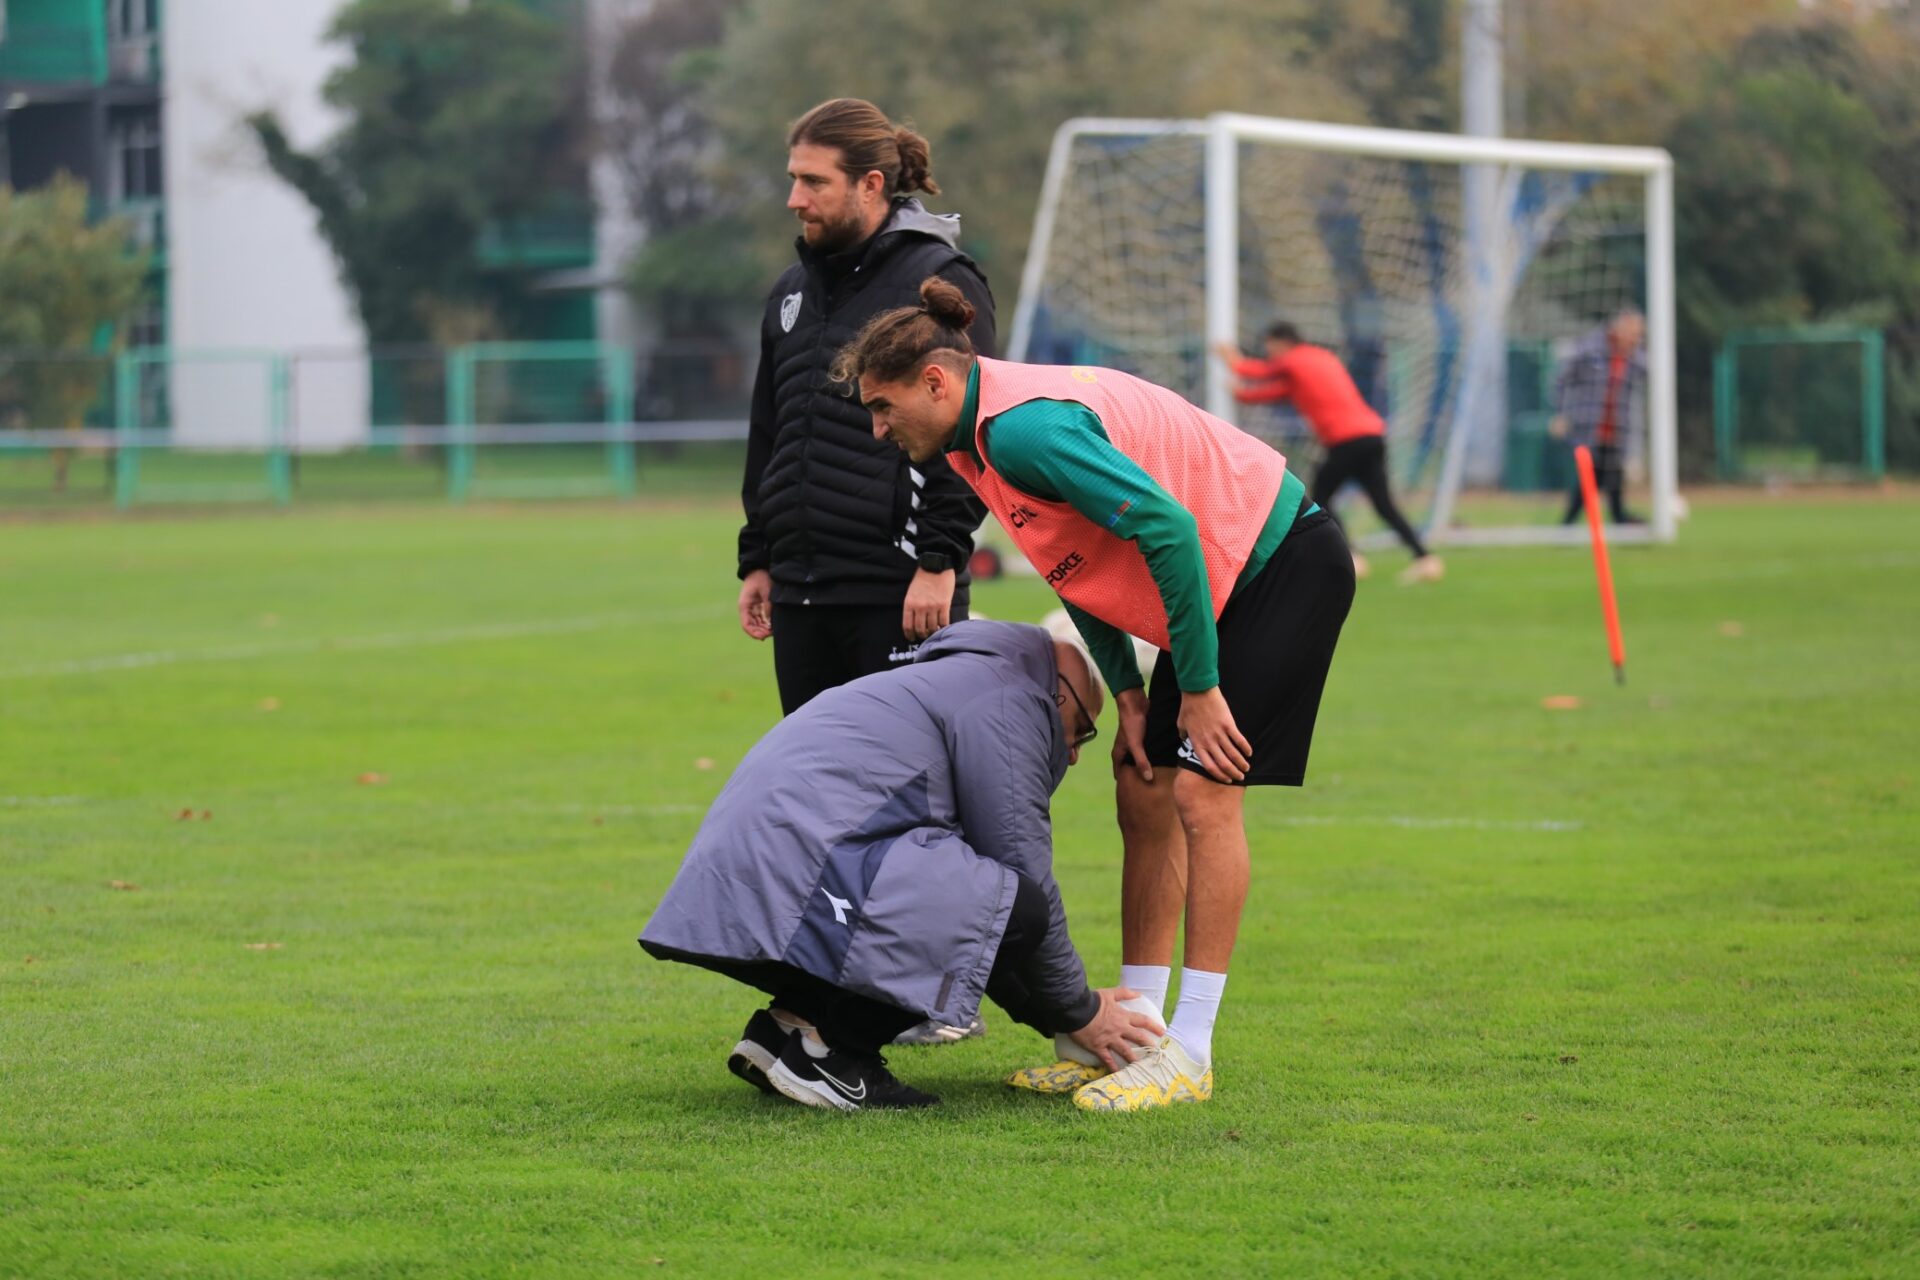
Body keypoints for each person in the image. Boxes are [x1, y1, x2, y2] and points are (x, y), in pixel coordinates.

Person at [833, 278, 1358, 1112]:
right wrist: (1132, 695)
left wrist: (1204, 689)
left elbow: (1170, 529)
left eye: (884, 406)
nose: (877, 427)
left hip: (1279, 565)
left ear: (937, 381)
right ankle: (1137, 1034)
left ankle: (1191, 1049)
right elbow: (1077, 562)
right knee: (1143, 782)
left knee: (1202, 791)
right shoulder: (979, 442)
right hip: (1217, 584)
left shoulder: (1024, 431)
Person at [639, 621, 1163, 1111]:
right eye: (1083, 730)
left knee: (974, 899)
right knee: (1019, 904)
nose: (1073, 754)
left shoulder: (962, 678)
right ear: (1060, 693)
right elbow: (1017, 889)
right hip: (802, 865)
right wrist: (1085, 1014)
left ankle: (784, 1030)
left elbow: (980, 922)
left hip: (744, 871)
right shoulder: (1012, 698)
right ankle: (835, 1053)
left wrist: (1064, 1011)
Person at [735, 97, 994, 716]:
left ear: (871, 185)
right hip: (799, 592)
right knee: (817, 791)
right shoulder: (790, 291)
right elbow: (770, 432)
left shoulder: (936, 279)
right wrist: (760, 557)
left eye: (814, 181)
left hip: (900, 589)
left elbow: (975, 422)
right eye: (793, 179)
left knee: (904, 792)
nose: (796, 198)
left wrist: (939, 558)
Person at [1213, 323, 1443, 584]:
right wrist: (1240, 394)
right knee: (1383, 504)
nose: (1270, 353)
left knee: (1321, 497)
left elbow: (1253, 371)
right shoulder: (1318, 360)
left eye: (1270, 347)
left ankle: (1353, 556)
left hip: (1347, 440)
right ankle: (1425, 559)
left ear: (1281, 343)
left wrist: (1229, 357)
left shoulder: (1295, 359)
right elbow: (1272, 392)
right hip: (1372, 435)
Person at [1551, 308, 1647, 525]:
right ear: (1618, 329)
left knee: (1606, 474)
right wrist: (1561, 414)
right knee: (1594, 474)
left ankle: (1581, 521)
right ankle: (1613, 518)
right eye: (1633, 333)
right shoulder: (1589, 349)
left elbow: (1649, 369)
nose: (1636, 339)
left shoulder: (1634, 359)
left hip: (1616, 428)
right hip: (1588, 426)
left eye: (1639, 335)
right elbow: (1561, 380)